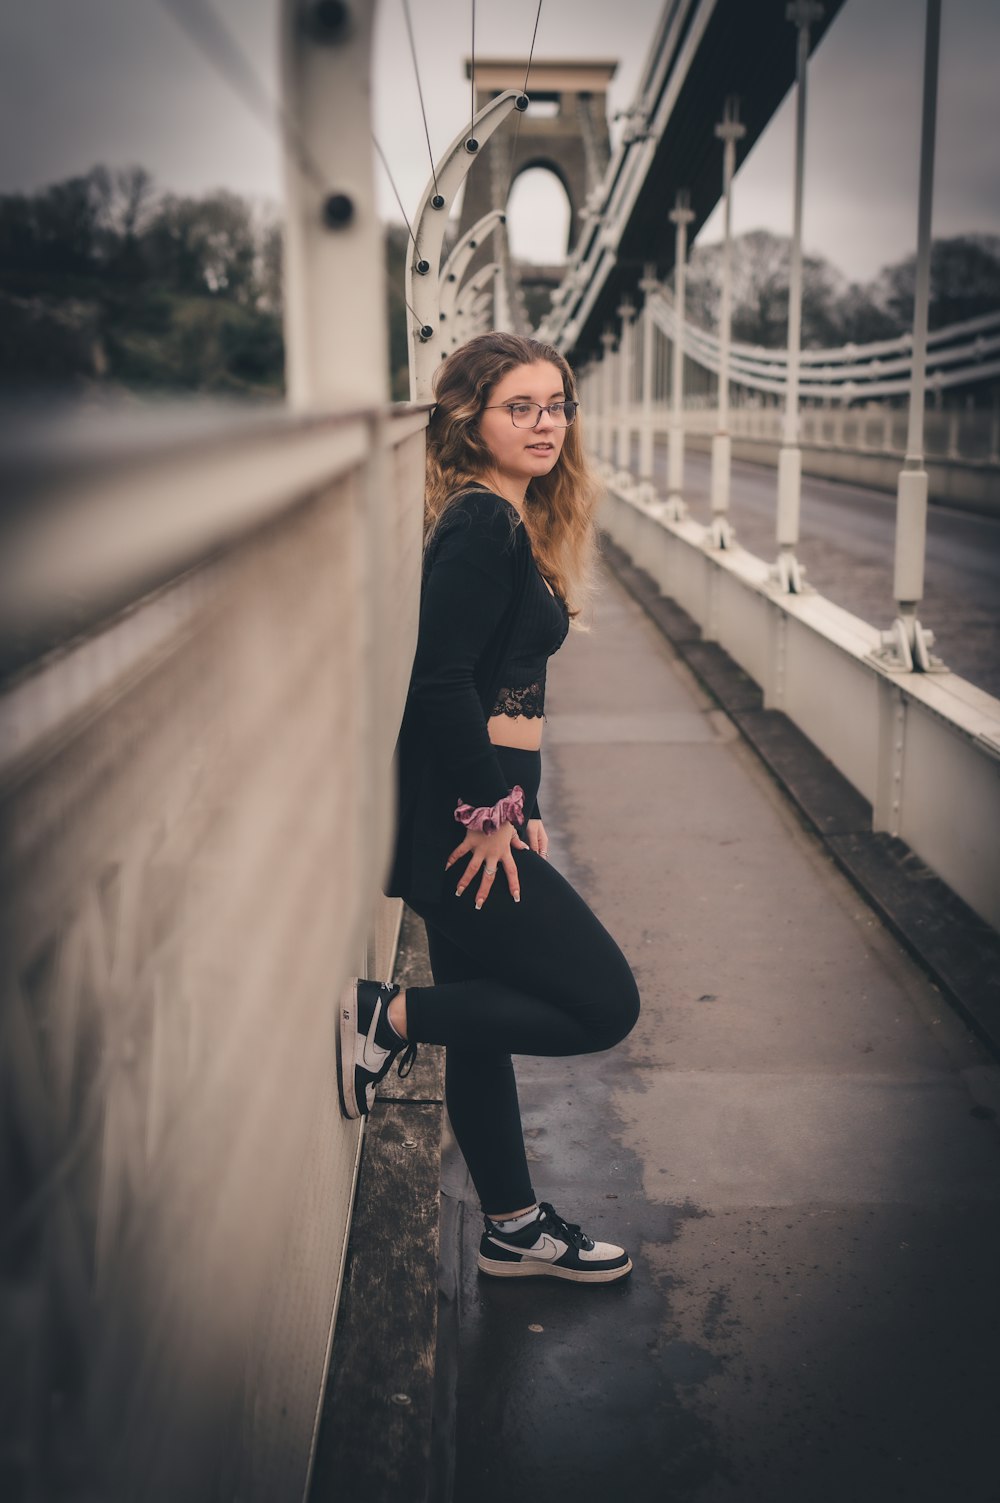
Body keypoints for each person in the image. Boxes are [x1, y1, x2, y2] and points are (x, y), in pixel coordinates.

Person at [337, 331, 640, 1284]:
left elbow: (511, 683)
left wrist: (524, 798)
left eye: (558, 405)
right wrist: (489, 811)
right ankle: (389, 1020)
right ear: (470, 418)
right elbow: (441, 680)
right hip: (457, 819)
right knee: (602, 1002)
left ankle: (510, 1226)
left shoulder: (511, 517)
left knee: (484, 1025)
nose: (547, 422)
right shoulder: (479, 524)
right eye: (523, 406)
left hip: (475, 808)